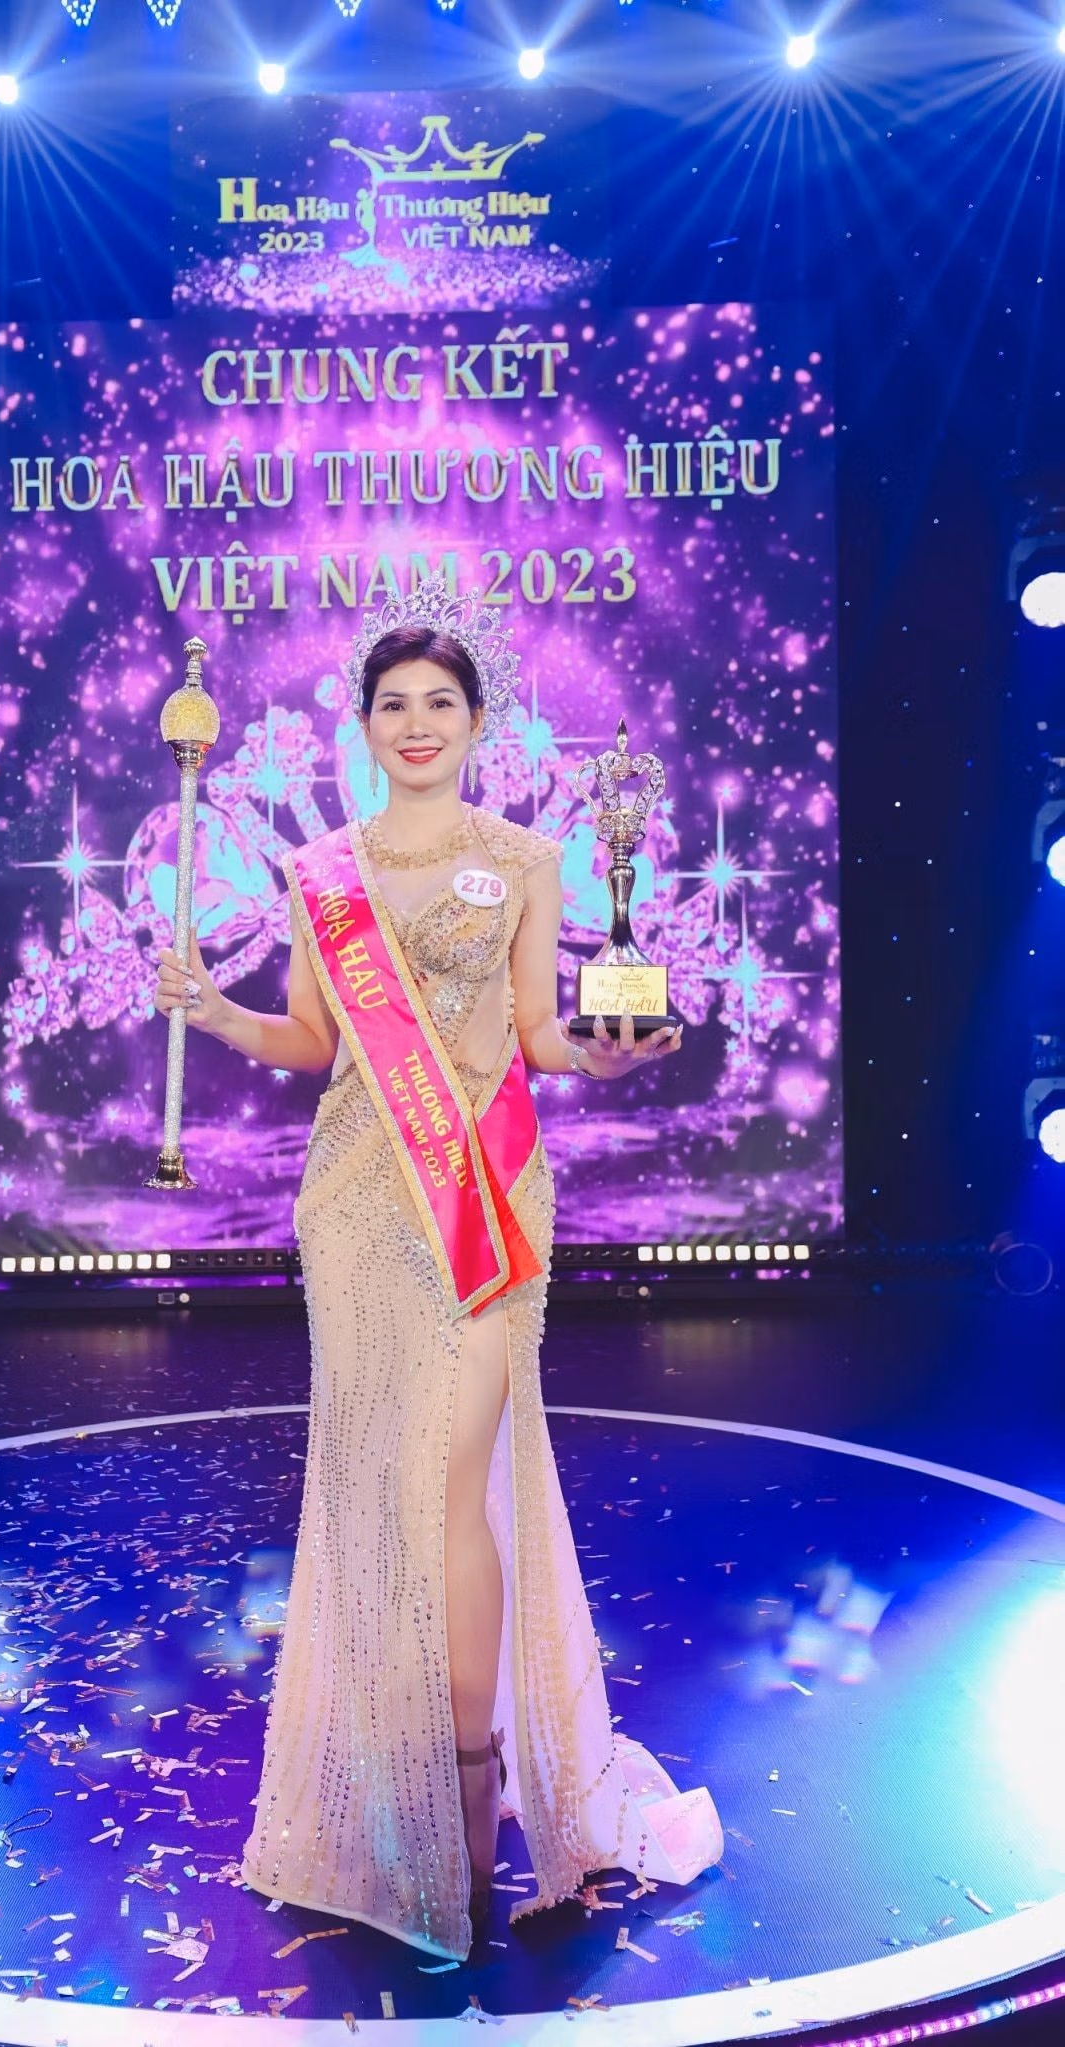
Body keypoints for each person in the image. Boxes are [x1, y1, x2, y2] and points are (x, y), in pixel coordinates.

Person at [155, 579, 722, 1961]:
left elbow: (535, 1030)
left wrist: (601, 1058)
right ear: (364, 726)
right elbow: (315, 1039)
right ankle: (389, 1790)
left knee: (458, 1488)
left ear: (479, 722)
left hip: (485, 1200)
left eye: (442, 704)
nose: (418, 724)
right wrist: (214, 1011)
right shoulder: (322, 872)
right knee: (378, 1490)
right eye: (395, 705)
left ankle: (468, 1819)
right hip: (356, 1203)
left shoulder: (527, 858)